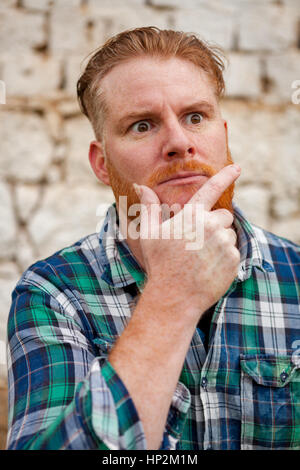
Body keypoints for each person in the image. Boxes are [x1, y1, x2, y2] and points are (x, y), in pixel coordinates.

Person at [6, 27, 300, 451]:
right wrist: (171, 296)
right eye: (142, 125)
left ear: (224, 134)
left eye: (196, 117)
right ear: (102, 163)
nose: (180, 143)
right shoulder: (54, 295)